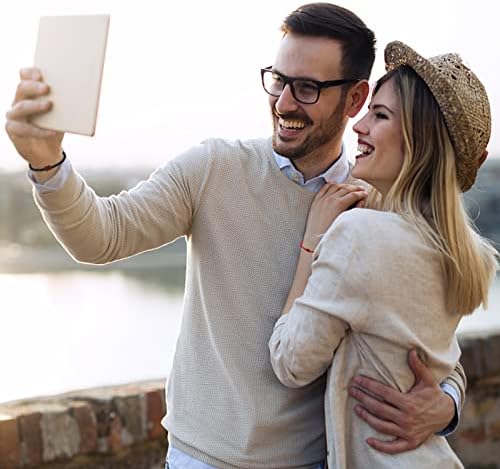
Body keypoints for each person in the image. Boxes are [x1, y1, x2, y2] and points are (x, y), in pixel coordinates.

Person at [5, 4, 466, 468]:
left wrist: (446, 404)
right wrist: (48, 164)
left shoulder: (374, 205)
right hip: (199, 460)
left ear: (354, 99)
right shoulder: (213, 169)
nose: (284, 103)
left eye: (307, 88)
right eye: (278, 81)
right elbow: (99, 237)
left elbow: (430, 344)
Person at [269, 40, 498, 468]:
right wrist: (448, 404)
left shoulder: (361, 234)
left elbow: (290, 362)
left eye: (380, 115)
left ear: (418, 140)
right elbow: (444, 362)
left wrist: (312, 242)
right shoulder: (453, 248)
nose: (358, 125)